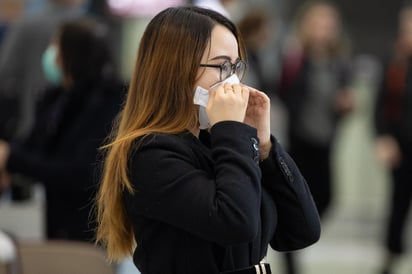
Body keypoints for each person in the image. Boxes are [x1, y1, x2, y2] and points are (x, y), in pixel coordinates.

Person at [95, 6, 320, 274]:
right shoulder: (151, 152)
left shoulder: (217, 141)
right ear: (177, 69)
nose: (234, 80)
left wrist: (265, 147)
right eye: (222, 66)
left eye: (236, 66)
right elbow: (235, 222)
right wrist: (231, 129)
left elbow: (302, 231)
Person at [0, 17, 124, 242]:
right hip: (57, 224)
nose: (50, 54)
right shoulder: (55, 98)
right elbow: (34, 145)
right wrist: (10, 156)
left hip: (91, 232)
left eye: (55, 45)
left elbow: (81, 172)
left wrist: (11, 159)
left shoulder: (106, 102)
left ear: (72, 53)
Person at [276, 1, 353, 273]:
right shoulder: (296, 56)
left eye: (328, 25)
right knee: (294, 196)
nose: (323, 30)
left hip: (325, 140)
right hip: (299, 140)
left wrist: (346, 106)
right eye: (318, 24)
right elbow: (283, 91)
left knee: (327, 196)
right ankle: (290, 251)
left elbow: (345, 97)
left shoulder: (339, 61)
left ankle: (295, 232)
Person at [0, 0, 88, 141]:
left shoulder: (26, 24)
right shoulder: (90, 28)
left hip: (29, 126)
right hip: (76, 132)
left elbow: (5, 74)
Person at [374, 4, 412, 274]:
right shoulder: (395, 60)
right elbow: (381, 106)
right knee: (399, 204)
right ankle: (390, 255)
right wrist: (383, 137)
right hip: (402, 146)